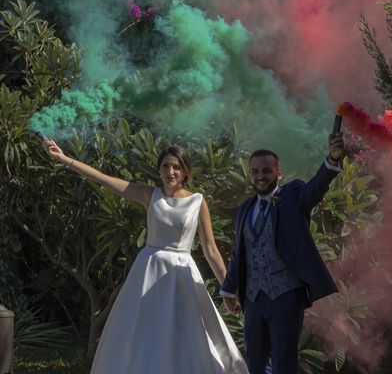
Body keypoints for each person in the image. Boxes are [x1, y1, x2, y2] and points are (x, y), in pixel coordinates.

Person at [42, 139, 248, 374]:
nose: (170, 172)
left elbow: (211, 250)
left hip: (181, 273)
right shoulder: (150, 195)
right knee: (142, 333)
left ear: (185, 172)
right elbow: (101, 178)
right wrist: (63, 158)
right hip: (148, 271)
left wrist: (228, 289)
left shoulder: (197, 202)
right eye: (165, 166)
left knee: (187, 335)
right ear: (159, 170)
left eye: (176, 167)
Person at [220, 133, 345, 374]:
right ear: (250, 175)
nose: (260, 176)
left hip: (286, 295)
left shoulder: (293, 195)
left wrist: (332, 160)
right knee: (255, 363)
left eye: (266, 170)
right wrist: (228, 289)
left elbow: (315, 189)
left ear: (278, 173)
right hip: (253, 298)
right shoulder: (244, 209)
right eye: (255, 171)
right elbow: (239, 253)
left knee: (283, 363)